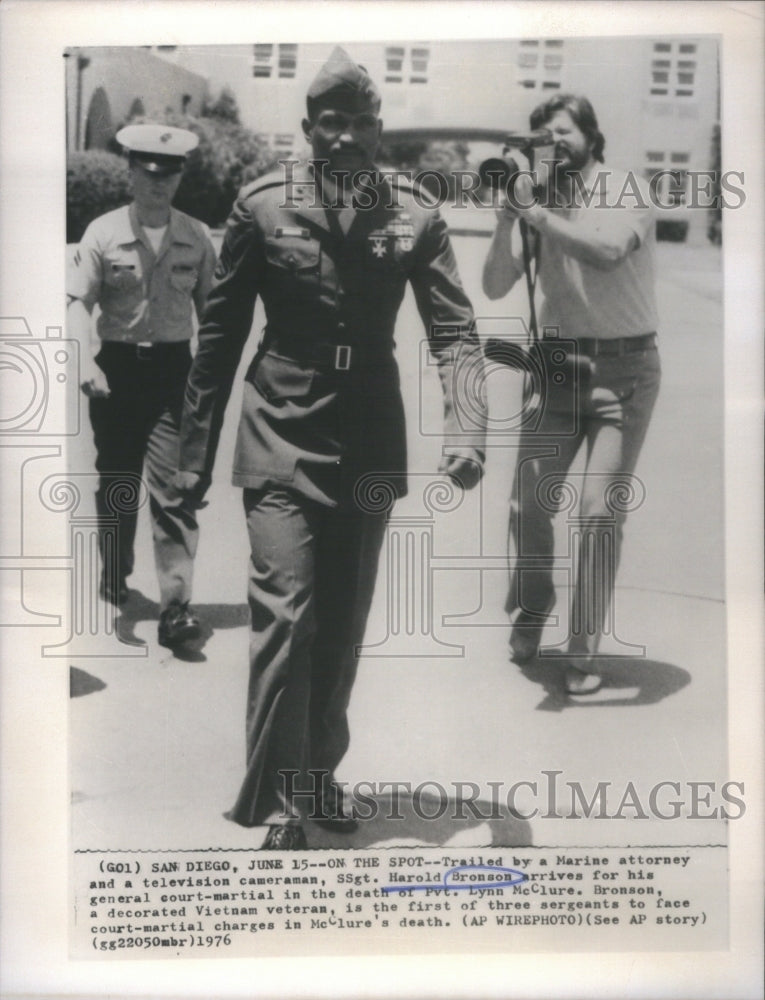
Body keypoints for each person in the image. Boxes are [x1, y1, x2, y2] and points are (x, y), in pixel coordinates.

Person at [175, 47, 487, 848]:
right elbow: (217, 338)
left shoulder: (414, 213)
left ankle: (317, 773)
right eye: (331, 122)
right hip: (279, 426)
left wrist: (466, 427)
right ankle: (281, 797)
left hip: (368, 437)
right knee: (288, 613)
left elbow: (454, 329)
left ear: (378, 133)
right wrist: (190, 455)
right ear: (310, 129)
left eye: (360, 123)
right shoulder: (262, 206)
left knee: (342, 625)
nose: (345, 136)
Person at [482, 94, 661, 696]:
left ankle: (582, 647)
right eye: (540, 138)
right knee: (527, 505)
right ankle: (532, 608)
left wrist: (534, 216)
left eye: (562, 134)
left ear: (591, 136)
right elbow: (495, 282)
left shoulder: (623, 186)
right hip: (557, 370)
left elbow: (609, 253)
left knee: (598, 510)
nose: (552, 145)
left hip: (623, 372)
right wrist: (510, 215)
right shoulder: (538, 197)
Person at [67, 123, 217, 648]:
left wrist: (212, 384)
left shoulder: (196, 237)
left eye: (169, 174)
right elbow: (75, 302)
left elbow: (214, 318)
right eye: (148, 172)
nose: (158, 183)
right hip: (117, 372)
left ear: (179, 177)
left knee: (175, 490)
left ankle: (177, 609)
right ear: (130, 171)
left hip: (173, 374)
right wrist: (84, 358)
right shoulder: (103, 233)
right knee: (117, 486)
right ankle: (114, 571)